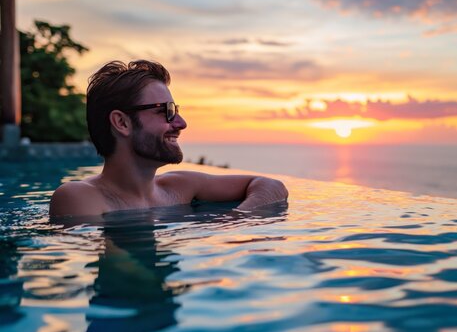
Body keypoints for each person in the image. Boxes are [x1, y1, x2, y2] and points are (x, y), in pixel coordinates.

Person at [49, 60, 288, 217]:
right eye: (166, 111)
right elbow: (122, 272)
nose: (181, 123)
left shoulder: (179, 186)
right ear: (122, 123)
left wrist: (237, 218)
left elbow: (272, 186)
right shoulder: (78, 196)